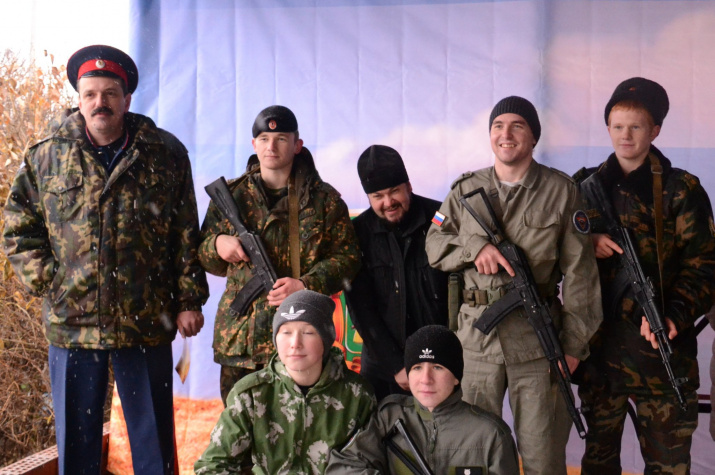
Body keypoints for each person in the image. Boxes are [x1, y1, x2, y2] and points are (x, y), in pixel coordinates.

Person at [1, 45, 209, 474]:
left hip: (146, 318)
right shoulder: (47, 155)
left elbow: (185, 231)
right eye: (91, 94)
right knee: (77, 449)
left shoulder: (164, 154)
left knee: (154, 449)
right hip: (73, 323)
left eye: (110, 93)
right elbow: (18, 229)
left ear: (126, 99)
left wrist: (189, 299)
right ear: (79, 100)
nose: (101, 102)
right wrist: (52, 282)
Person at [425, 96, 602, 475]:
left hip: (537, 345)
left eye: (517, 125)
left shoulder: (562, 191)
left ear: (533, 136)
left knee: (543, 457)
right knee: (471, 455)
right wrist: (474, 248)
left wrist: (573, 346)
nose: (506, 134)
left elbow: (582, 276)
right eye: (498, 126)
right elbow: (434, 244)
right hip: (475, 343)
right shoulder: (464, 190)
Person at [573, 77, 715, 474]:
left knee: (668, 465)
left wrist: (674, 315)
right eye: (617, 126)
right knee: (598, 464)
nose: (626, 135)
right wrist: (587, 240)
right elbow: (551, 246)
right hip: (600, 355)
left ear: (655, 130)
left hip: (662, 354)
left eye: (636, 126)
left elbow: (704, 264)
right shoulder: (583, 186)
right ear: (607, 128)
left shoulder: (680, 189)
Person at [199, 105, 361, 404]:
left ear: (297, 145)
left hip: (300, 340)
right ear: (254, 144)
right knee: (239, 423)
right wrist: (217, 244)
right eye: (264, 139)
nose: (271, 147)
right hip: (241, 341)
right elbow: (205, 257)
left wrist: (306, 284)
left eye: (281, 139)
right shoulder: (231, 196)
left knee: (299, 424)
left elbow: (348, 260)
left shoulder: (324, 201)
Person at [194, 290, 376, 474]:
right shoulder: (251, 394)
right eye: (286, 332)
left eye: (308, 332)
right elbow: (212, 467)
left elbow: (370, 464)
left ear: (326, 339)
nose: (295, 343)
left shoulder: (357, 395)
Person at [326, 325, 519, 474]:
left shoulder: (491, 435)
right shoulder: (390, 418)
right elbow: (341, 467)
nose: (426, 379)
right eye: (417, 368)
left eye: (437, 367)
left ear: (456, 377)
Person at [345, 145, 449, 401]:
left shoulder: (441, 218)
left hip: (440, 362)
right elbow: (361, 310)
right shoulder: (357, 234)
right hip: (383, 367)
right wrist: (396, 366)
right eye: (378, 196)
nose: (388, 202)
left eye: (394, 191)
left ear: (409, 186)